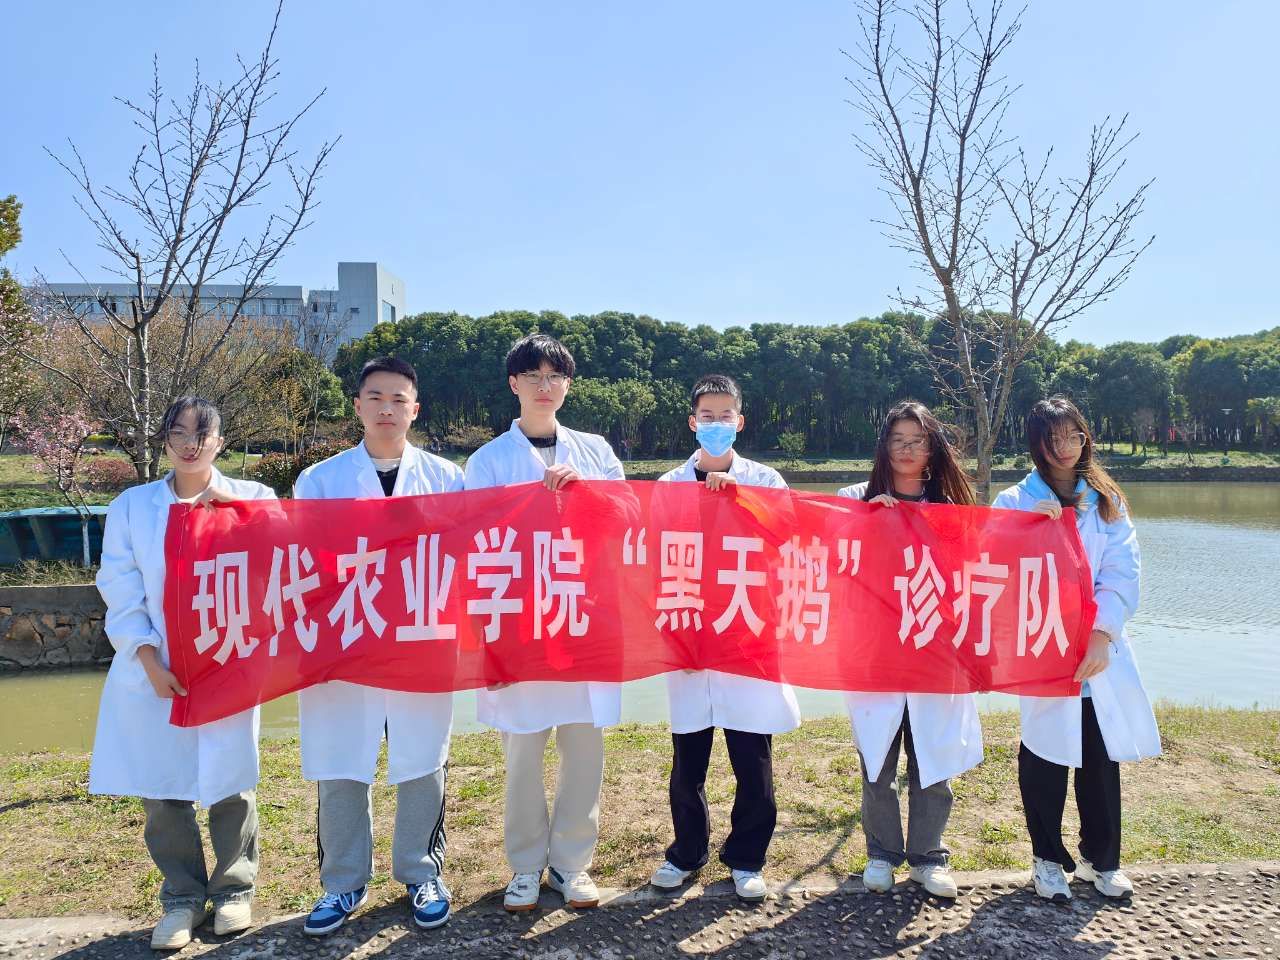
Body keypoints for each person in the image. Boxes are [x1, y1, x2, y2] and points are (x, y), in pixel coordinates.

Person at [89, 397, 275, 950]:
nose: (190, 444)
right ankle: (181, 896)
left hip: (228, 662)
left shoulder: (254, 498)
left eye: (202, 433)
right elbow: (120, 588)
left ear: (221, 441)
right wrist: (147, 659)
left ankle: (235, 889)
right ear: (164, 439)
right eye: (178, 432)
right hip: (157, 668)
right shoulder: (133, 507)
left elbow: (285, 558)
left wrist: (237, 512)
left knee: (231, 780)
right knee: (162, 785)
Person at [294, 357, 464, 935]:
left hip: (420, 639)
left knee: (423, 755)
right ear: (358, 406)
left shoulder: (447, 478)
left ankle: (422, 871)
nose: (386, 409)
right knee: (341, 757)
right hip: (347, 639)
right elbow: (301, 560)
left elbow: (466, 555)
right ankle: (342, 882)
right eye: (375, 397)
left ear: (415, 409)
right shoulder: (321, 480)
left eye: (398, 399)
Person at [464, 333, 625, 912]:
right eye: (532, 376)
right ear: (514, 384)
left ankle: (572, 863)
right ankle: (526, 866)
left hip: (583, 617)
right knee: (522, 755)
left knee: (584, 751)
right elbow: (472, 540)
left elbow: (628, 516)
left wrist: (588, 494)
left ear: (567, 385)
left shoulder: (595, 452)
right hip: (518, 623)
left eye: (554, 376)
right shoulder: (487, 461)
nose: (544, 385)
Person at [993, 396, 1160, 901]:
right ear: (1036, 443)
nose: (1065, 447)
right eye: (1053, 438)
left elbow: (1123, 571)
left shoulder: (1107, 500)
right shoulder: (1013, 501)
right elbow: (990, 566)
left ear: (1086, 438)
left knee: (1099, 757)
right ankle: (1046, 860)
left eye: (1074, 435)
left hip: (1094, 648)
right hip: (1043, 643)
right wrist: (1026, 531)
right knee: (1044, 755)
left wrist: (1103, 635)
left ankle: (1100, 860)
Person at [646, 373, 799, 903]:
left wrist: (743, 501)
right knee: (688, 756)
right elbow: (653, 556)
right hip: (688, 628)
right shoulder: (669, 485)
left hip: (746, 629)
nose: (716, 424)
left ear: (741, 421)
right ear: (692, 423)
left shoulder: (765, 480)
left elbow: (788, 536)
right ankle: (686, 852)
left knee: (752, 755)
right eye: (707, 416)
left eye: (725, 415)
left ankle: (747, 857)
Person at [836, 400, 980, 899]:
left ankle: (928, 855)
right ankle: (880, 853)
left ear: (932, 448)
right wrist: (863, 523)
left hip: (935, 650)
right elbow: (831, 563)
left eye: (916, 441)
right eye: (897, 440)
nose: (906, 449)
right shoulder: (855, 498)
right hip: (875, 651)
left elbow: (979, 569)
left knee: (932, 755)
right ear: (884, 446)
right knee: (877, 756)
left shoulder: (952, 507)